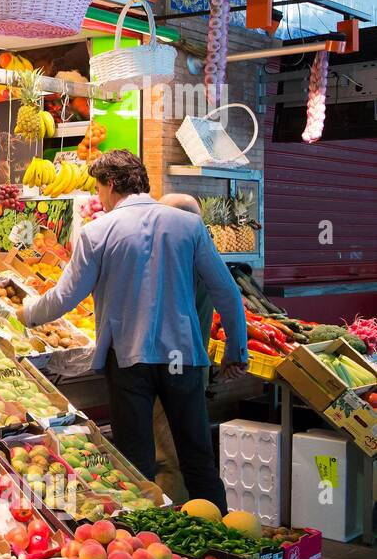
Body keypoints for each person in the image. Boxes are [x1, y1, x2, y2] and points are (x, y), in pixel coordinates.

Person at [18, 151, 247, 510]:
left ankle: (148, 545)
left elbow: (65, 297)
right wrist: (237, 350)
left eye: (98, 188)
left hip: (128, 361)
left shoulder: (97, 232)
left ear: (110, 185)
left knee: (135, 466)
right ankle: (222, 544)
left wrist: (27, 313)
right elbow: (227, 292)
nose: (100, 198)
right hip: (182, 359)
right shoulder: (188, 226)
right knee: (197, 456)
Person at [152, 194, 216, 502]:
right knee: (188, 452)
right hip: (190, 366)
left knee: (168, 457)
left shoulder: (180, 260)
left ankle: (168, 532)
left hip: (171, 368)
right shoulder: (202, 253)